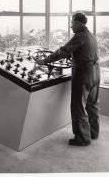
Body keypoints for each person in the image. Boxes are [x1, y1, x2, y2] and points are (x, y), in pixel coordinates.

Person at [36, 12, 100, 146]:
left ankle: (82, 138)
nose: (71, 26)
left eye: (72, 23)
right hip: (95, 73)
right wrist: (73, 56)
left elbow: (62, 51)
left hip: (83, 74)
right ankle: (93, 133)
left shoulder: (79, 37)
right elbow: (84, 52)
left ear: (77, 23)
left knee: (78, 106)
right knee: (92, 105)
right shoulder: (91, 36)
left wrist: (44, 61)